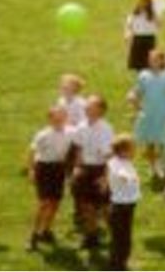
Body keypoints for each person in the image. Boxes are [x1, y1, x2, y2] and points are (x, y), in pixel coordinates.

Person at [26, 107, 73, 251]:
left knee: (55, 202)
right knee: (44, 202)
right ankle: (33, 235)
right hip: (44, 167)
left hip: (59, 168)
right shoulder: (43, 134)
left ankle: (46, 230)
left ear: (66, 118)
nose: (59, 121)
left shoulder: (70, 132)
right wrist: (31, 170)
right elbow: (32, 152)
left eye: (62, 118)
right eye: (55, 119)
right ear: (50, 119)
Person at [70, 97, 114, 250]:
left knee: (105, 208)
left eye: (91, 106)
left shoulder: (106, 129)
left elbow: (109, 156)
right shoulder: (81, 126)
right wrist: (77, 167)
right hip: (85, 169)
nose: (87, 108)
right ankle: (91, 236)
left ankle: (117, 237)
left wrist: (106, 178)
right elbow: (78, 148)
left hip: (100, 169)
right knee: (86, 205)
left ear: (101, 111)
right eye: (87, 106)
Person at [130, 50, 165, 178]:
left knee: (164, 141)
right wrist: (133, 97)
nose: (153, 62)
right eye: (151, 60)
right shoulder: (144, 75)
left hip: (164, 113)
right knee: (149, 141)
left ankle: (163, 164)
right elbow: (138, 90)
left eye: (156, 59)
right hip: (149, 113)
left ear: (162, 60)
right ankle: (152, 166)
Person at [106, 135, 141, 270]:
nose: (134, 152)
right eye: (132, 149)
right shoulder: (117, 164)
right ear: (123, 151)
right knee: (121, 236)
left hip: (127, 204)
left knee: (124, 235)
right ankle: (117, 264)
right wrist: (126, 177)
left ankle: (121, 262)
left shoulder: (123, 161)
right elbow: (120, 173)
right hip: (120, 206)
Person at [124, 0, 160, 74]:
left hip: (149, 39)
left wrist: (155, 16)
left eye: (146, 2)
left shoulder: (153, 14)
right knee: (139, 64)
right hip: (138, 39)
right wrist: (127, 34)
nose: (144, 4)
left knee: (149, 63)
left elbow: (159, 25)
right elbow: (129, 25)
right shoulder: (134, 14)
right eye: (142, 1)